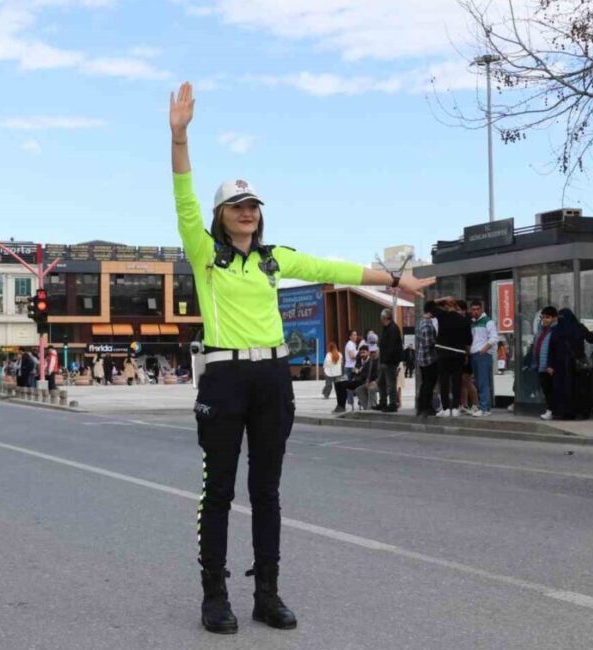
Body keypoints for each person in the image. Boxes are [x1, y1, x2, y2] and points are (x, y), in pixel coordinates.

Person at [169, 81, 434, 635]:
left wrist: (394, 280)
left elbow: (331, 268)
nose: (247, 213)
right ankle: (214, 596)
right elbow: (184, 197)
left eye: (253, 206)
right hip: (223, 377)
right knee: (219, 491)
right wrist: (180, 137)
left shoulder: (273, 259)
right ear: (220, 215)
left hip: (272, 377)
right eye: (237, 206)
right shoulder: (206, 255)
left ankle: (267, 593)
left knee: (266, 491)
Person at [547, 308, 593, 420]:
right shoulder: (578, 327)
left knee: (563, 389)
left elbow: (551, 349)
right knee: (578, 389)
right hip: (577, 365)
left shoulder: (556, 330)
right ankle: (580, 412)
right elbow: (590, 337)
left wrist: (550, 365)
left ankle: (564, 412)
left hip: (561, 366)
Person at [434, 298, 471, 417]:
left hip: (443, 353)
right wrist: (466, 354)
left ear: (447, 306)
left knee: (444, 382)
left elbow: (429, 305)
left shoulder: (442, 316)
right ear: (456, 307)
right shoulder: (464, 320)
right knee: (456, 382)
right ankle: (455, 407)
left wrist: (442, 299)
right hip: (458, 354)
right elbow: (468, 340)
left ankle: (445, 408)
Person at [468, 298, 499, 417]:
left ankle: (485, 408)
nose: (475, 312)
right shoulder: (473, 322)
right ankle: (483, 406)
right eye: (473, 309)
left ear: (481, 309)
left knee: (483, 382)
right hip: (475, 354)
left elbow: (494, 338)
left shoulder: (488, 321)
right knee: (478, 382)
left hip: (483, 355)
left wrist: (484, 350)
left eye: (477, 309)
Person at [527, 306, 557, 420]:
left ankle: (551, 410)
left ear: (554, 318)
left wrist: (551, 365)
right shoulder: (541, 330)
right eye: (543, 317)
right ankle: (550, 409)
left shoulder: (555, 331)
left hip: (549, 366)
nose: (544, 320)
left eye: (547, 317)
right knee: (545, 389)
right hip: (540, 364)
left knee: (550, 390)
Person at [415, 300, 441, 419]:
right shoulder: (428, 325)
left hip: (421, 358)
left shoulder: (421, 322)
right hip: (429, 358)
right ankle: (426, 407)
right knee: (429, 384)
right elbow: (428, 343)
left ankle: (421, 407)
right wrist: (437, 343)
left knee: (424, 383)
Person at [376, 308, 402, 412]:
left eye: (381, 317)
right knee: (381, 382)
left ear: (386, 317)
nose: (380, 319)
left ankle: (392, 404)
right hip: (384, 361)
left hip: (390, 361)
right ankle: (383, 402)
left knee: (391, 383)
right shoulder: (386, 328)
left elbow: (392, 346)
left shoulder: (393, 329)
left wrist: (387, 360)